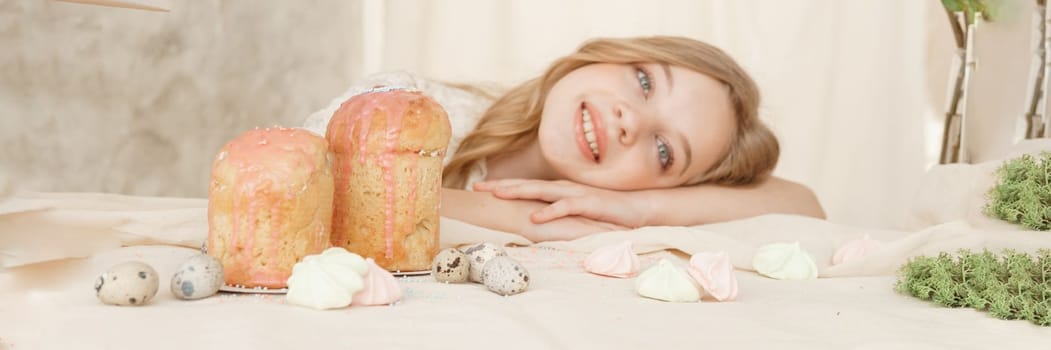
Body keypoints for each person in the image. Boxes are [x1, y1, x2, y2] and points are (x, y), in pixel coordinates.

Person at [305, 36, 825, 242]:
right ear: (600, 56)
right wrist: (521, 218)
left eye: (664, 151)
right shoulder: (409, 102)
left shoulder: (617, 216)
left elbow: (805, 206)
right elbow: (331, 197)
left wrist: (641, 209)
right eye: (644, 82)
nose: (631, 122)